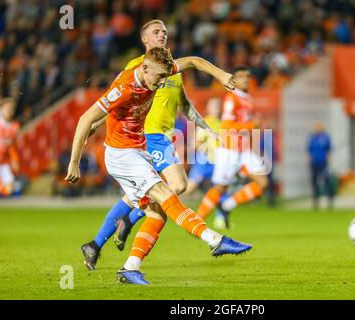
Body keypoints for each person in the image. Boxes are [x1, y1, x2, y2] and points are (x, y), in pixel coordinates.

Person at [65, 47, 252, 285]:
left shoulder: (158, 71)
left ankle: (129, 268)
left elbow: (193, 61)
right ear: (144, 68)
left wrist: (221, 74)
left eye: (166, 76)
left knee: (157, 213)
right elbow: (85, 118)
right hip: (122, 155)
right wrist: (74, 162)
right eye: (159, 77)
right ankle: (215, 240)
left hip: (139, 149)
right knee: (166, 192)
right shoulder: (124, 87)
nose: (162, 82)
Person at [80, 20, 221, 270]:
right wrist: (94, 124)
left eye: (165, 32)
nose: (163, 35)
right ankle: (130, 222)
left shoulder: (172, 71)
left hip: (163, 138)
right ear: (145, 40)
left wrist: (205, 126)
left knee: (139, 196)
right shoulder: (137, 67)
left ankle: (99, 241)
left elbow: (185, 106)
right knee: (176, 185)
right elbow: (114, 99)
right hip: (146, 136)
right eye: (156, 32)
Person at [196, 66, 269, 228]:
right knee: (220, 187)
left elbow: (243, 124)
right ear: (234, 80)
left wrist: (253, 126)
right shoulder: (232, 98)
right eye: (241, 76)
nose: (245, 79)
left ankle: (227, 206)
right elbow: (226, 125)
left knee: (262, 182)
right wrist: (252, 125)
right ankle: (197, 219)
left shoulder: (247, 98)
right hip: (229, 148)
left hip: (244, 149)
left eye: (247, 76)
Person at [184, 97, 222, 195]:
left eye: (218, 106)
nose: (217, 109)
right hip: (205, 161)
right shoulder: (206, 123)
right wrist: (205, 150)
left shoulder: (220, 123)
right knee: (190, 187)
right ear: (208, 108)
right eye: (214, 106)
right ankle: (168, 200)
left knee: (220, 189)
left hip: (217, 161)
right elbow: (195, 143)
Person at [0, 98, 19, 197]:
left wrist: (14, 159)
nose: (9, 110)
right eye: (6, 108)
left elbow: (13, 146)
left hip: (3, 162)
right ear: (1, 110)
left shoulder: (14, 126)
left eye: (11, 109)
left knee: (9, 189)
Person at [306, 122, 333, 210]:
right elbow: (309, 151)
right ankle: (316, 201)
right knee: (314, 183)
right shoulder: (312, 138)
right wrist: (309, 160)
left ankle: (329, 200)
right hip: (314, 163)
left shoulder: (325, 137)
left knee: (326, 181)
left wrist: (327, 160)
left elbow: (329, 150)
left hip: (323, 163)